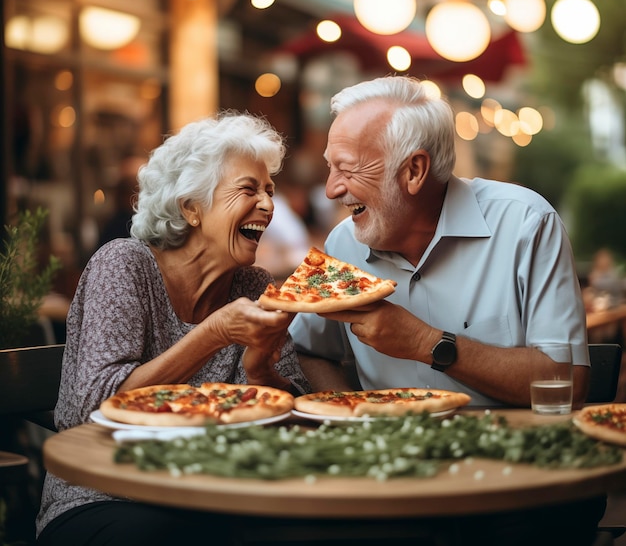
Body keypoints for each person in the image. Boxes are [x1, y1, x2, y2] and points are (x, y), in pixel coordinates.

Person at [287, 75, 605, 545]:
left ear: (414, 171)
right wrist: (352, 418)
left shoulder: (525, 224)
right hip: (389, 482)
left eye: (348, 169)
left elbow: (567, 384)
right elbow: (306, 350)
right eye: (329, 168)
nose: (332, 189)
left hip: (516, 479)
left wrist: (424, 342)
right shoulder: (341, 245)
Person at [36, 112, 311, 546]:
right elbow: (92, 405)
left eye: (269, 190)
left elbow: (294, 420)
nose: (268, 204)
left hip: (213, 497)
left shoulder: (254, 286)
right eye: (248, 189)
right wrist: (215, 333)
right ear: (191, 207)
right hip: (107, 496)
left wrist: (261, 373)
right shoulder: (125, 264)